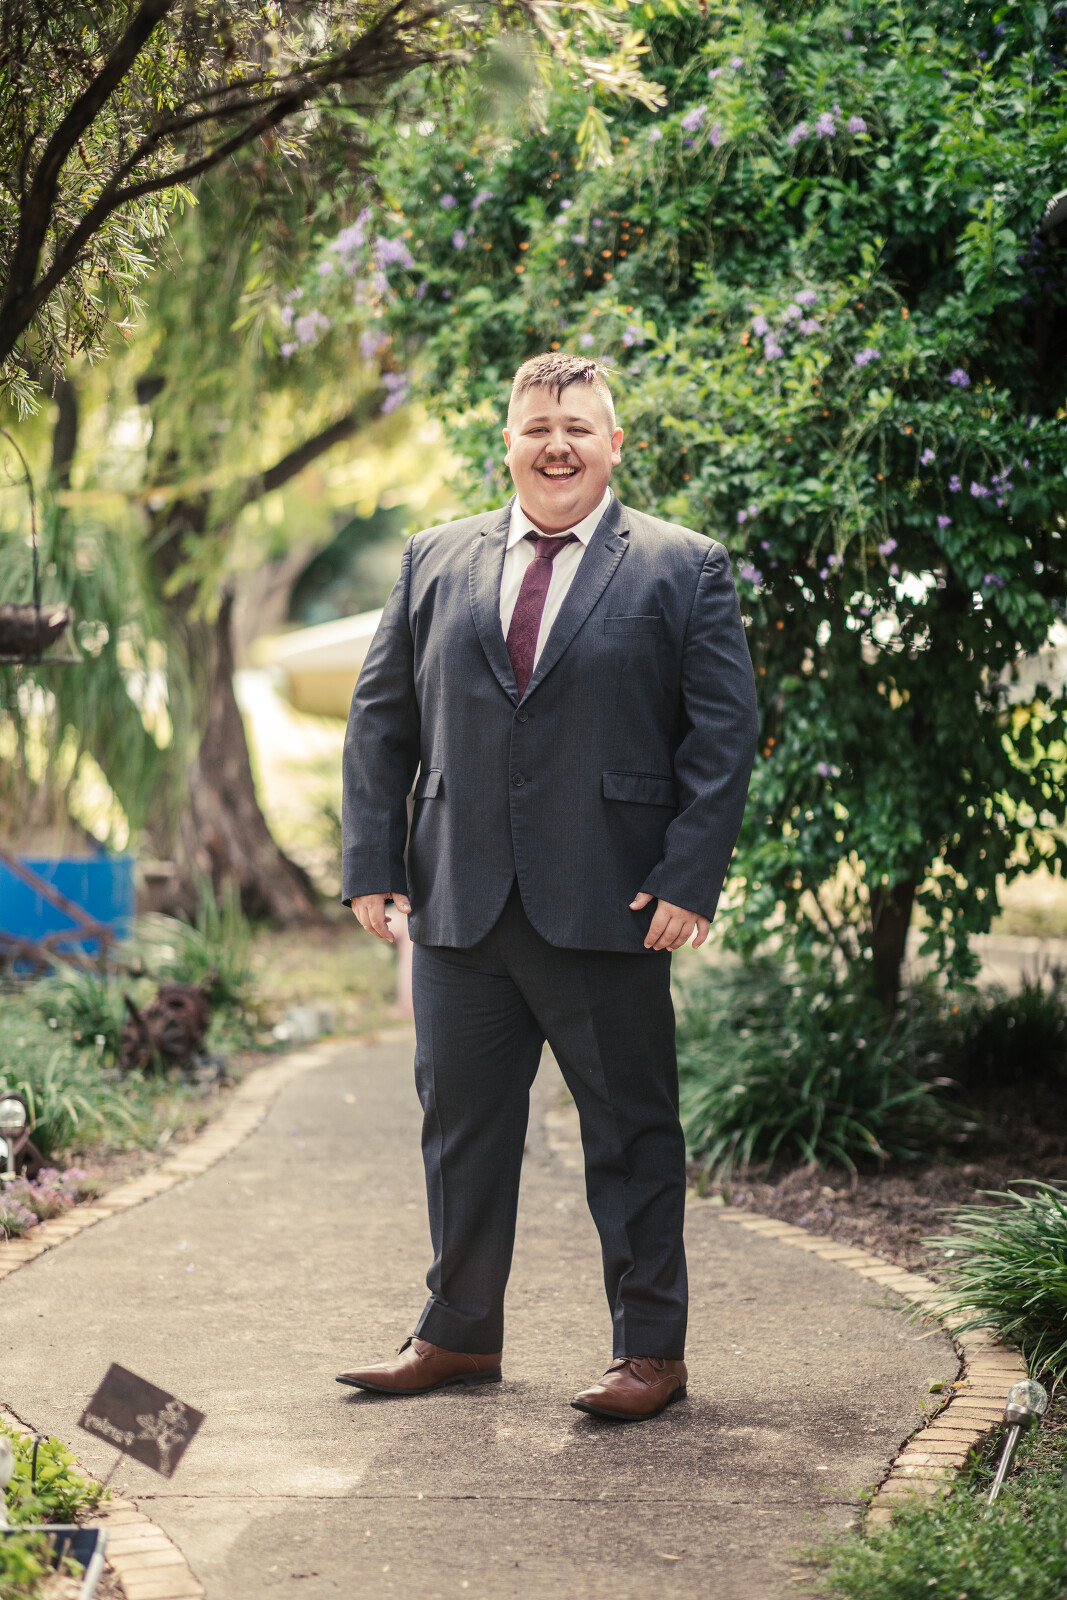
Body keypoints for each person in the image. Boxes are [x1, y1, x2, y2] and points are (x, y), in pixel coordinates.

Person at [337, 352, 758, 1421]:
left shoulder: (682, 566)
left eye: (577, 427)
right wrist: (373, 864)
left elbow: (722, 737)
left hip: (610, 903)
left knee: (632, 1136)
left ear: (614, 444)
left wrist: (687, 877)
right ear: (509, 443)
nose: (556, 445)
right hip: (459, 903)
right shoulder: (433, 558)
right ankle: (457, 1332)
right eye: (537, 427)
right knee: (459, 1133)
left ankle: (649, 1353)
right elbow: (381, 720)